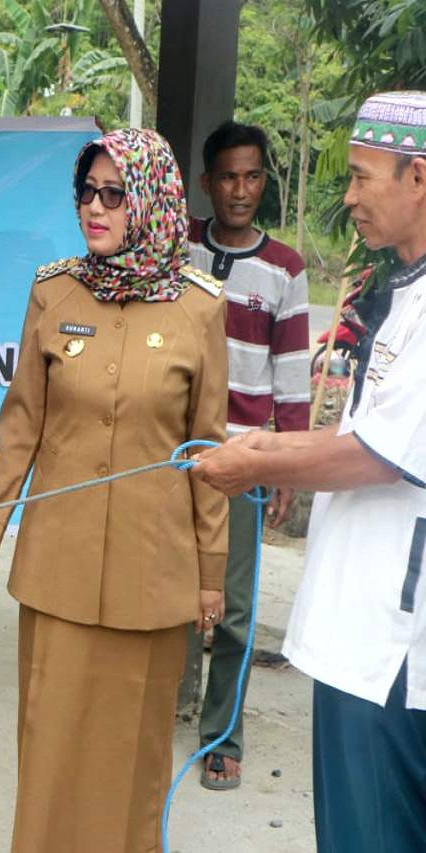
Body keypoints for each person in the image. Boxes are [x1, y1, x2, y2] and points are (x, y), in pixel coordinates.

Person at [0, 127, 229, 853]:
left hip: (153, 576)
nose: (94, 209)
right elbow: (21, 428)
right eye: (86, 193)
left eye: (114, 194)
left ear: (151, 201)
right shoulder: (53, 292)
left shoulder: (199, 308)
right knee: (51, 749)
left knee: (133, 761)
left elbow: (209, 454)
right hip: (60, 572)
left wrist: (209, 578)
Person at [194, 91, 426, 852]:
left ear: (417, 177)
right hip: (355, 629)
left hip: (390, 650)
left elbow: (371, 453)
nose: (350, 196)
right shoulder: (394, 288)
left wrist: (256, 454)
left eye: (363, 177)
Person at [189, 120, 310, 790]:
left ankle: (223, 732)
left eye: (253, 175)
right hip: (177, 453)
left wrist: (284, 460)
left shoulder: (285, 269)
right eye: (228, 177)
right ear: (207, 184)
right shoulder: (178, 251)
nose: (241, 189)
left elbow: (291, 373)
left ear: (264, 180)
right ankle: (169, 705)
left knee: (233, 605)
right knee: (172, 591)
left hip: (243, 459)